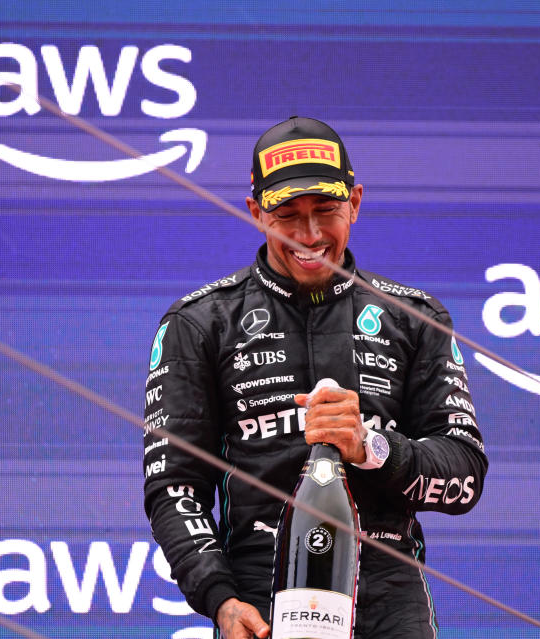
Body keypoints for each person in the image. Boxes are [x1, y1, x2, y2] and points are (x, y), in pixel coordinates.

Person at [143, 116, 488, 639]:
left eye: (326, 211)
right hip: (261, 601)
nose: (309, 235)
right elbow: (174, 486)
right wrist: (222, 600)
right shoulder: (199, 323)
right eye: (287, 215)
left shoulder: (414, 317)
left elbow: (465, 478)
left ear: (355, 201)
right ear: (256, 213)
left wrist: (371, 446)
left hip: (390, 601)